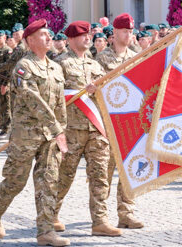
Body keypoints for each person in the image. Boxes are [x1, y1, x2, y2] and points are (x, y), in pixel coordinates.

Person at [0, 19, 70, 246]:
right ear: (30, 41)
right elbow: (32, 98)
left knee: (48, 181)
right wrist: (55, 126)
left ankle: (46, 232)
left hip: (50, 135)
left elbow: (60, 103)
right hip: (26, 134)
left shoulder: (55, 67)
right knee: (16, 180)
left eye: (49, 34)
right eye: (43, 35)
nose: (49, 38)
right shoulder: (23, 67)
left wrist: (62, 131)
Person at [54, 21, 122, 237]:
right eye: (83, 35)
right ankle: (51, 214)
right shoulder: (60, 64)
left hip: (96, 129)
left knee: (100, 175)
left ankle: (100, 221)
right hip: (71, 130)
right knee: (64, 175)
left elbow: (108, 93)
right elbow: (54, 95)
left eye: (89, 35)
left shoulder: (94, 65)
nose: (88, 38)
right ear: (71, 39)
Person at [95, 13, 144, 229]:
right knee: (104, 170)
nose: (129, 34)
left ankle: (127, 212)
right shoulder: (102, 59)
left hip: (129, 121)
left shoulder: (136, 56)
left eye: (131, 31)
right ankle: (101, 215)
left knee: (129, 168)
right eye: (125, 31)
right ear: (114, 33)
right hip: (108, 122)